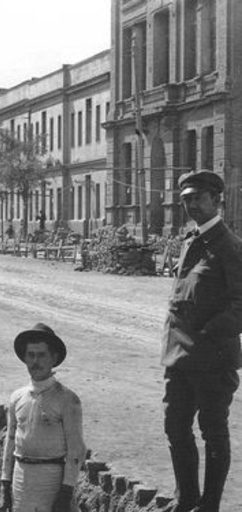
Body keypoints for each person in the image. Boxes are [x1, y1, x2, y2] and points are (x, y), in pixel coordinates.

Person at [162, 170, 242, 512]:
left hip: (212, 359)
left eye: (199, 198)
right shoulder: (189, 241)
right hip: (178, 358)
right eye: (186, 199)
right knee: (175, 428)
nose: (192, 204)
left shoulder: (229, 246)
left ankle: (208, 506)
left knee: (213, 433)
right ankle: (187, 500)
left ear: (217, 200)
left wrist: (209, 334)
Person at [0, 324, 85, 512]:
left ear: (53, 358)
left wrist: (66, 491)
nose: (35, 362)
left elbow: (76, 450)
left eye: (41, 355)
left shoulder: (68, 400)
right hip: (21, 479)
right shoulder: (17, 397)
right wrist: (5, 482)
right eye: (30, 355)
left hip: (51, 480)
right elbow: (10, 440)